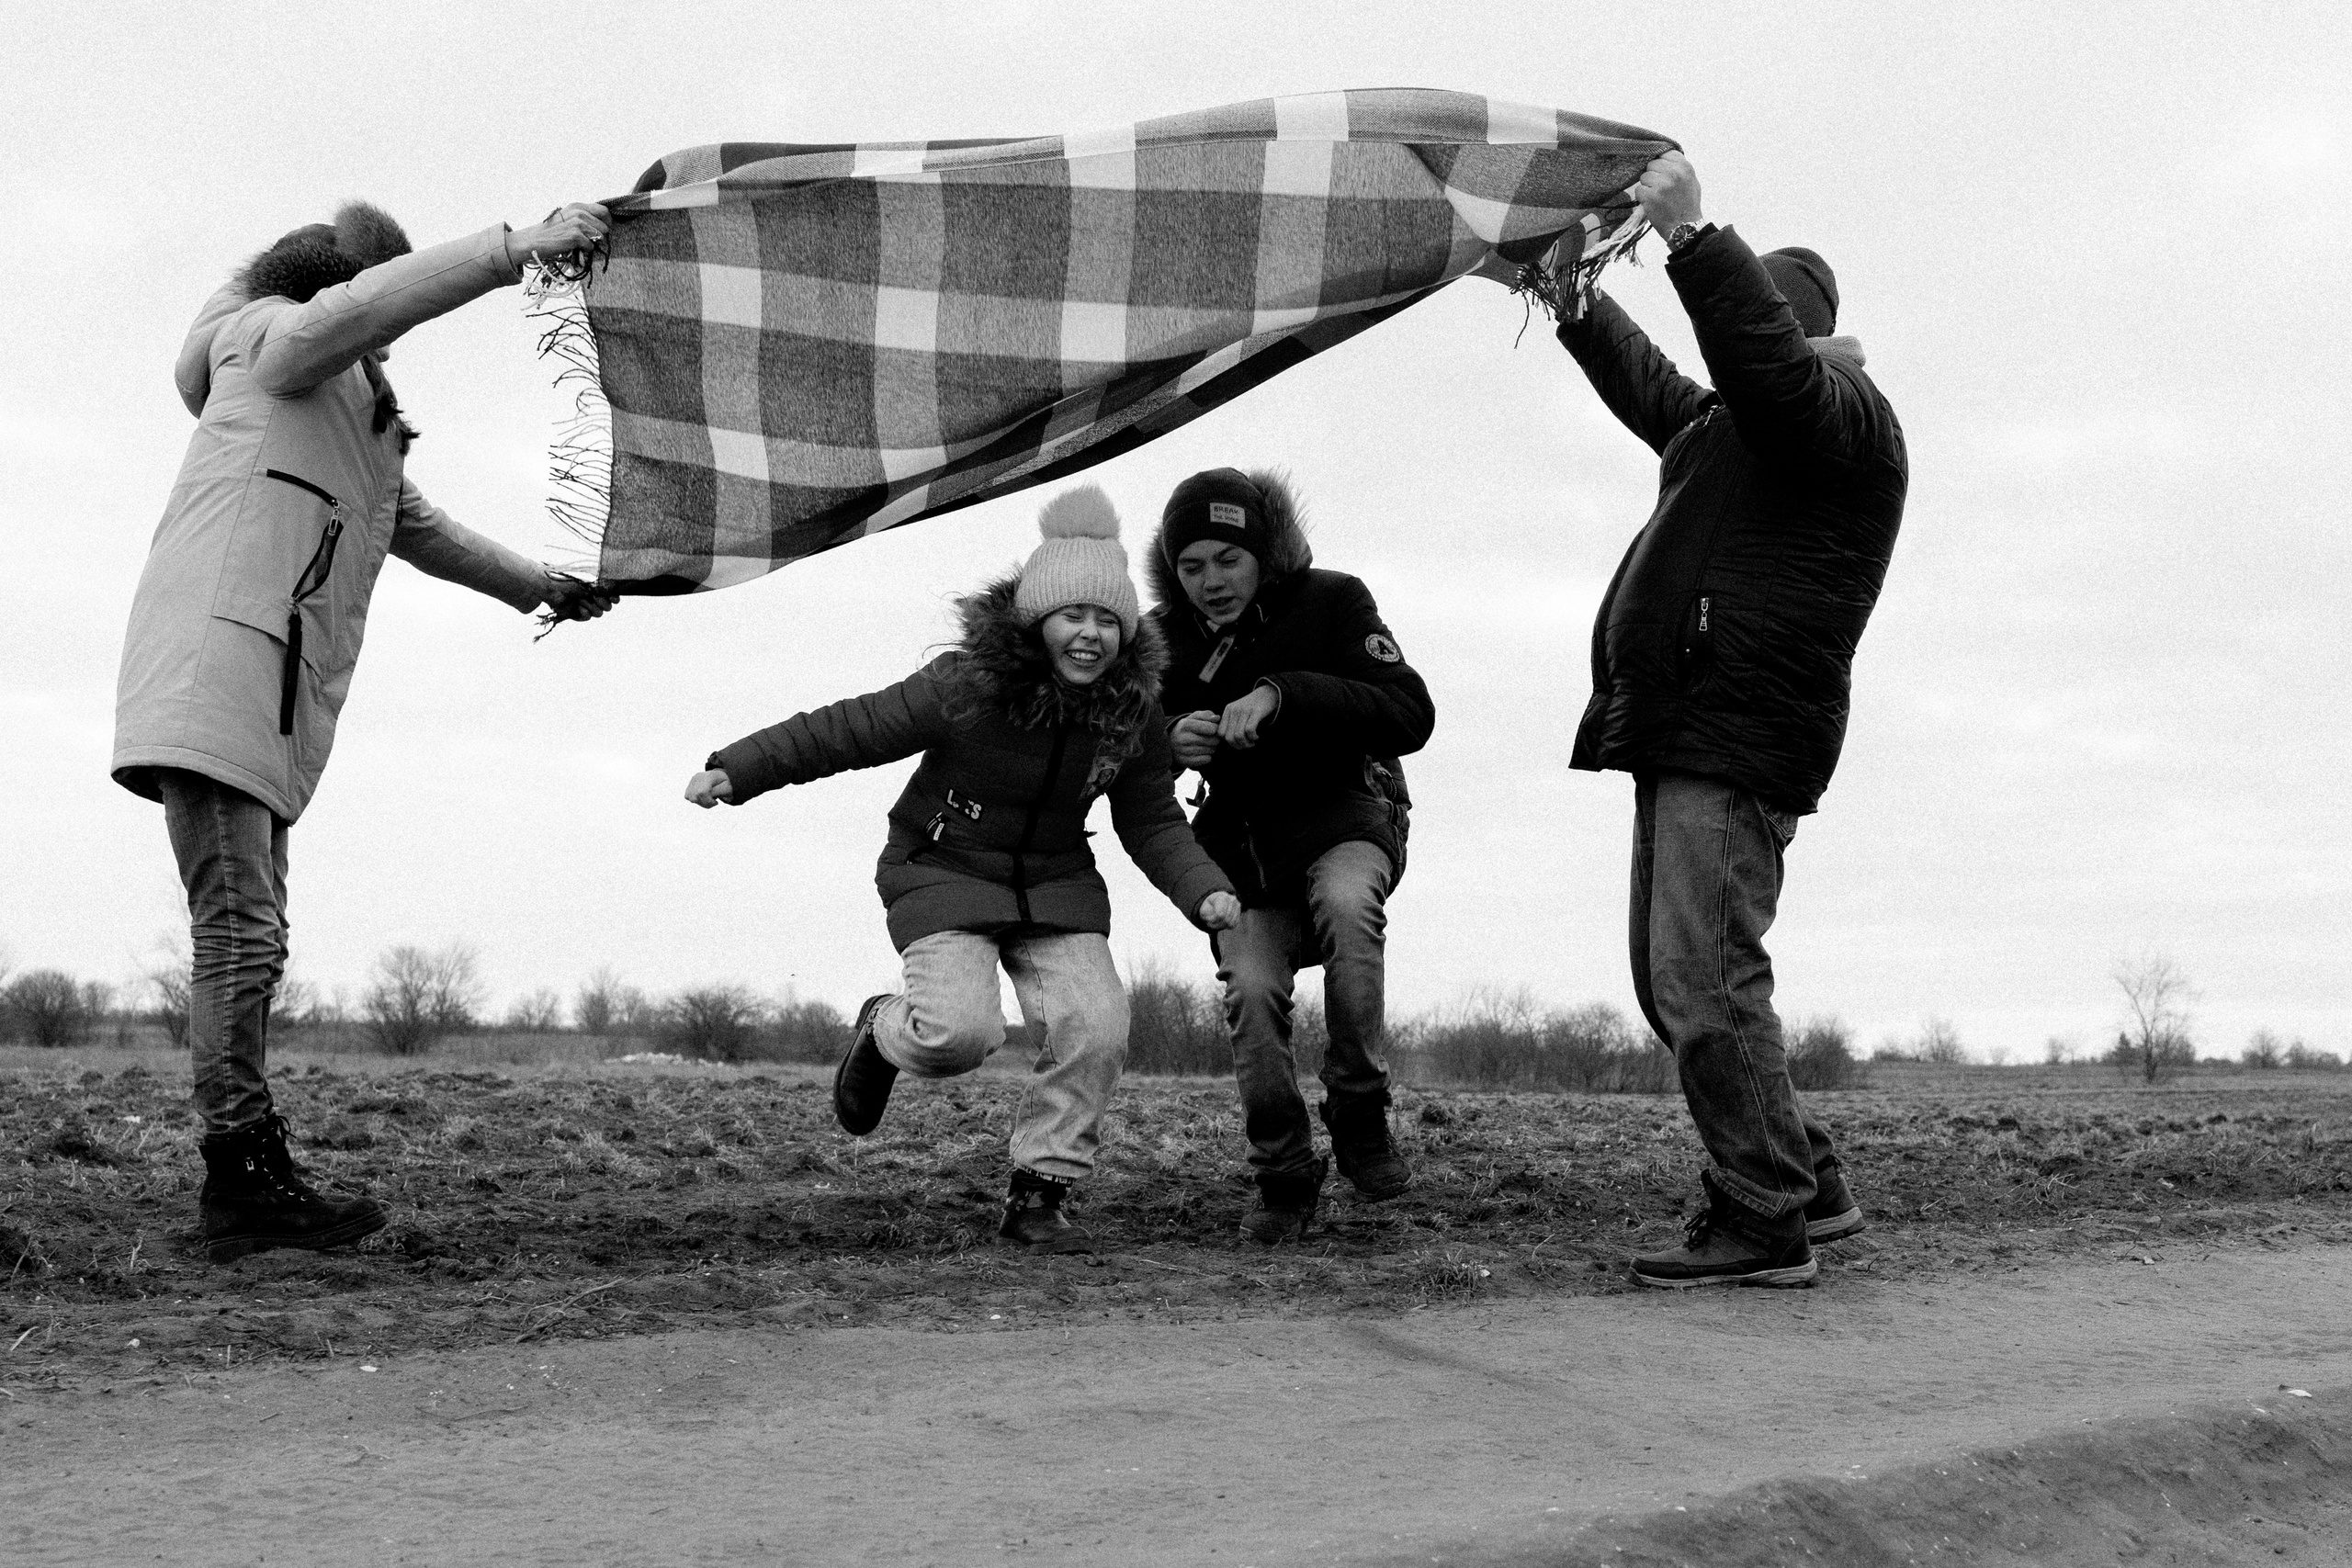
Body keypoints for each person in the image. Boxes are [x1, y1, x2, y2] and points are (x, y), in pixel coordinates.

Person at [111, 198, 618, 1264]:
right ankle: (241, 1178)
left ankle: (251, 1171)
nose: (375, 337)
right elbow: (335, 311)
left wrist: (545, 586)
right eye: (366, 315)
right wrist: (510, 252)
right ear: (338, 292)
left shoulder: (348, 416)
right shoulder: (269, 343)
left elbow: (414, 528)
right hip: (216, 669)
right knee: (239, 933)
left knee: (259, 936)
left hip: (265, 685)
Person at [686, 487, 1241, 1254]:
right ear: (1038, 618)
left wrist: (1204, 887)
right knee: (958, 1035)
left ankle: (1039, 1193)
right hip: (941, 868)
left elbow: (1149, 819)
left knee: (1100, 1024)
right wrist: (739, 768)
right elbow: (850, 729)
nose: (1090, 634)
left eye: (1108, 620)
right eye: (1073, 615)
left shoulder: (1131, 715)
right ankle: (882, 1033)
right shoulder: (967, 687)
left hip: (1055, 886)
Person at [1552, 152, 1907, 1288]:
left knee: (1706, 982)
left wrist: (1695, 239)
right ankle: (1808, 1177)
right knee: (1674, 985)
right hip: (1680, 729)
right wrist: (1565, 291)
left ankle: (1764, 1219)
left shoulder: (1842, 418)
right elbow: (1649, 379)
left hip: (1736, 735)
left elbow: (1763, 371)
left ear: (1775, 328)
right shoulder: (1722, 435)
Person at [1145, 469, 1435, 1243]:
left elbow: (1411, 711)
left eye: (1228, 559)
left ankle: (1360, 1110)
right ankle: (1282, 1170)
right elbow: (1112, 755)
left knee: (1348, 906)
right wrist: (1165, 743)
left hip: (1347, 814)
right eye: (1192, 565)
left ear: (1263, 551)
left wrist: (1285, 693)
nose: (1211, 581)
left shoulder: (1334, 599)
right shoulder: (1158, 641)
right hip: (1244, 854)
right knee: (1250, 986)